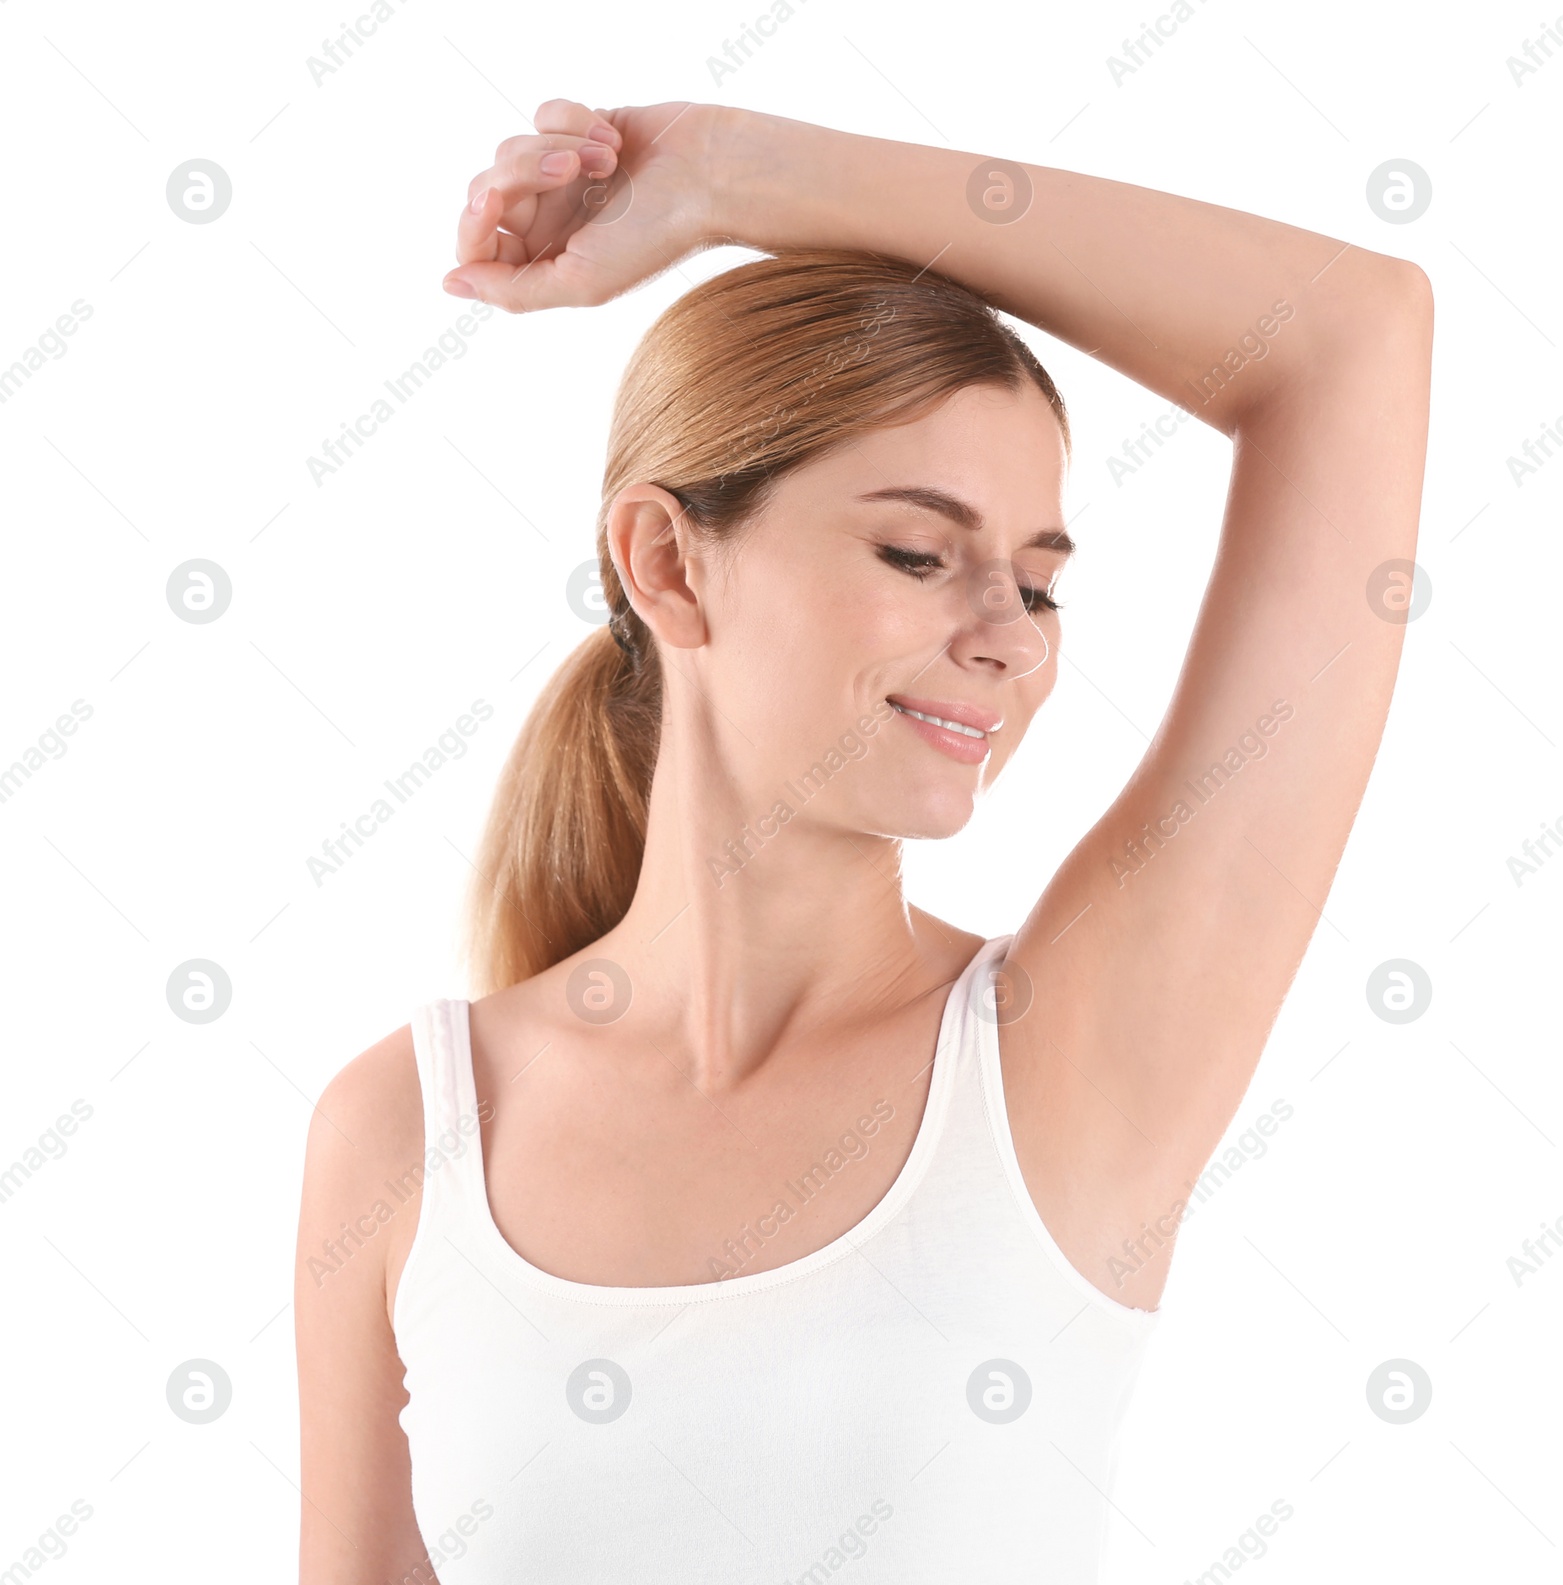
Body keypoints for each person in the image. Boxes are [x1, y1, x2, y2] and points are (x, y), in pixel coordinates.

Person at [294, 98, 1433, 1583]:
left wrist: (729, 177)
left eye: (1038, 581)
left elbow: (1352, 334)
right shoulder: (408, 1132)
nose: (1008, 639)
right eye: (919, 552)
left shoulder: (1062, 1062)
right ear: (664, 563)